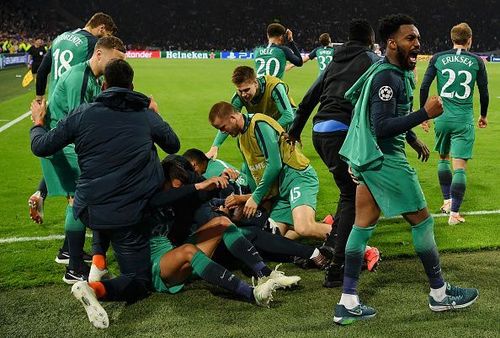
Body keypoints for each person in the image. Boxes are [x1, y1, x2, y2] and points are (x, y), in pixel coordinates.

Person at [331, 14, 479, 326]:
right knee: (423, 223)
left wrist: (412, 138)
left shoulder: (392, 71)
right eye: (410, 38)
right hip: (385, 160)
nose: (417, 43)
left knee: (362, 226)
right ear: (392, 43)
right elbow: (382, 125)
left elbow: (385, 116)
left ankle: (347, 301)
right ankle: (440, 294)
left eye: (418, 38)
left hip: (368, 159)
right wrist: (424, 113)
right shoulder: (389, 77)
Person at [30, 59, 180, 329]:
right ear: (132, 86)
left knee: (104, 194)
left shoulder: (82, 114)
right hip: (128, 214)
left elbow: (41, 146)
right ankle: (96, 288)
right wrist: (155, 114)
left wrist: (38, 123)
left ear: (104, 84)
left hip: (91, 209)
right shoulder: (145, 115)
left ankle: (96, 259)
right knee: (139, 281)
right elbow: (173, 145)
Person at [288, 19, 382, 287]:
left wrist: (294, 131)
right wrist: (409, 136)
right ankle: (337, 266)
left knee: (347, 192)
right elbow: (379, 104)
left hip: (320, 131)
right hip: (344, 132)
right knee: (355, 195)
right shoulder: (372, 60)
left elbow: (309, 97)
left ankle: (329, 248)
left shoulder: (335, 61)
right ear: (370, 39)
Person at [33, 36, 126, 284]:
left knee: (78, 199)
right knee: (79, 200)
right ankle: (74, 268)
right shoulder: (79, 78)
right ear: (98, 54)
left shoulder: (93, 79)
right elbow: (79, 123)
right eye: (114, 60)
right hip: (64, 144)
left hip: (66, 142)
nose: (116, 66)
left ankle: (69, 254)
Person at [28, 12, 117, 226]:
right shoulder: (93, 43)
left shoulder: (61, 38)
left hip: (54, 107)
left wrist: (40, 99)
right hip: (74, 106)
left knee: (60, 155)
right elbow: (96, 73)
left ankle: (41, 193)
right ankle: (71, 251)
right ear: (102, 28)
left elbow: (42, 71)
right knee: (81, 183)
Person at [209, 102, 332, 241]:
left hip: (297, 177)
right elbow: (252, 174)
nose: (223, 132)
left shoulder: (259, 125)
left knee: (304, 228)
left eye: (223, 127)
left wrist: (255, 198)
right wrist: (254, 199)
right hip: (279, 191)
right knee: (273, 237)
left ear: (232, 118)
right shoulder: (241, 139)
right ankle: (323, 224)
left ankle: (357, 246)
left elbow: (274, 165)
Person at [419, 23, 489, 225]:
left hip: (441, 117)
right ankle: (454, 214)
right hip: (463, 119)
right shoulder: (476, 61)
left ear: (451, 39)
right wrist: (483, 115)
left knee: (443, 158)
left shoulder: (438, 58)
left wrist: (425, 115)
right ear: (470, 40)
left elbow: (424, 86)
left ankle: (447, 200)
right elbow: (483, 92)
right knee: (459, 168)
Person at [206, 66, 296, 159]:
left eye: (246, 90)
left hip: (285, 124)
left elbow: (288, 116)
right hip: (263, 125)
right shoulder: (238, 97)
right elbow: (227, 121)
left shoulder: (274, 87)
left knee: (282, 159)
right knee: (254, 161)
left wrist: (265, 131)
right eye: (240, 91)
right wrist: (215, 146)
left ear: (255, 83)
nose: (244, 94)